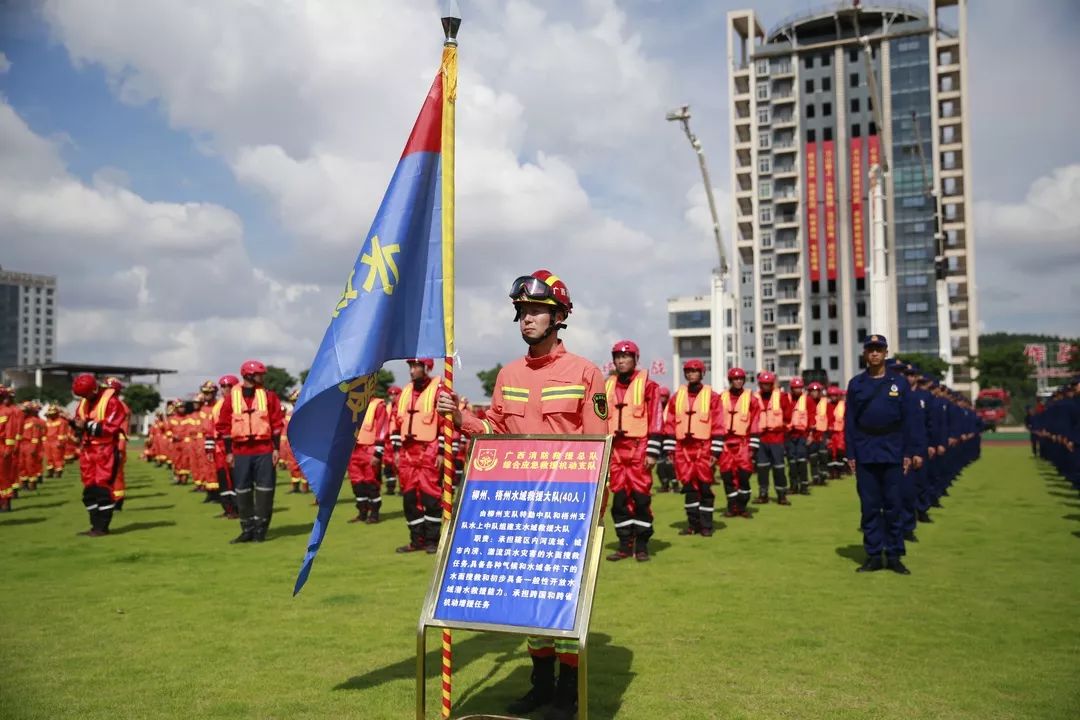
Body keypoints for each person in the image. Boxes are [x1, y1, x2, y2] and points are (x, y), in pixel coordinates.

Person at [438, 268, 606, 720]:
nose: (527, 318)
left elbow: (599, 446)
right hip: (516, 506)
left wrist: (593, 514)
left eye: (537, 311)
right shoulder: (508, 373)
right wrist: (460, 416)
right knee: (528, 602)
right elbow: (494, 428)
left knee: (565, 605)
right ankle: (540, 687)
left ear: (558, 318)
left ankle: (568, 694)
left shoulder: (586, 372)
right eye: (523, 311)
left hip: (566, 509)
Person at [845, 336, 924, 575]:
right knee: (869, 507)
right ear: (865, 354)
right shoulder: (856, 384)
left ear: (886, 353)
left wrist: (911, 451)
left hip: (893, 450)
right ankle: (873, 555)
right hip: (866, 449)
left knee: (893, 506)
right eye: (871, 350)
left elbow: (910, 420)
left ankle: (894, 555)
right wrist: (850, 453)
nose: (875, 354)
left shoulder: (899, 383)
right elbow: (849, 421)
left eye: (879, 350)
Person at [603, 340, 664, 562]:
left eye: (626, 356)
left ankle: (642, 545)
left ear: (635, 359)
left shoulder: (649, 385)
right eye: (617, 357)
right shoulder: (606, 385)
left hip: (639, 449)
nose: (621, 360)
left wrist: (653, 451)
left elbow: (657, 418)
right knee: (618, 500)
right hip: (616, 451)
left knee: (641, 499)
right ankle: (624, 544)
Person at [215, 360, 285, 544]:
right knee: (242, 490)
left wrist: (276, 449)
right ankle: (247, 529)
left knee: (265, 490)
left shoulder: (269, 396)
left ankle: (261, 530)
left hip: (264, 450)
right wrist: (229, 452)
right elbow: (223, 426)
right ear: (247, 376)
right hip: (241, 451)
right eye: (259, 375)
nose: (262, 378)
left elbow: (277, 423)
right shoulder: (232, 399)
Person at [391, 358, 450, 553]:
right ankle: (417, 540)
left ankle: (432, 540)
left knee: (431, 497)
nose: (412, 371)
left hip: (429, 450)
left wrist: (441, 452)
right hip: (408, 453)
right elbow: (396, 422)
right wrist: (398, 451)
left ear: (426, 368)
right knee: (409, 498)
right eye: (410, 367)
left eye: (415, 366)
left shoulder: (439, 390)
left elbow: (445, 424)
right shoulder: (405, 393)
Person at [663, 359, 723, 536]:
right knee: (688, 488)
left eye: (695, 371)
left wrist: (716, 451)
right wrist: (670, 449)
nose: (691, 374)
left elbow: (719, 424)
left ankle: (706, 526)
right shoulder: (677, 397)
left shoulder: (712, 396)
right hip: (682, 449)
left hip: (703, 448)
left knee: (704, 487)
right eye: (688, 371)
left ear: (702, 373)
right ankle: (692, 524)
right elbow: (670, 424)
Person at [71, 374, 126, 536]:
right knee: (89, 492)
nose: (84, 398)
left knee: (102, 490)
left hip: (106, 450)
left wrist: (86, 425)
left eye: (86, 394)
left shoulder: (113, 402)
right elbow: (79, 423)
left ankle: (102, 528)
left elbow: (110, 428)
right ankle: (95, 526)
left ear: (94, 389)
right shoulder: (83, 402)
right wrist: (75, 425)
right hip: (88, 451)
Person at [718, 367, 762, 518]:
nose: (738, 381)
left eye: (740, 379)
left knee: (744, 476)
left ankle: (742, 506)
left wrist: (753, 445)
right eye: (735, 379)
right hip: (725, 443)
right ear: (730, 380)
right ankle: (731, 507)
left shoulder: (751, 398)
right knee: (727, 477)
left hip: (743, 442)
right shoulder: (720, 397)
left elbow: (756, 420)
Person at [347, 394, 390, 524]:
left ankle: (374, 514)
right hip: (353, 450)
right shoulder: (350, 404)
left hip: (369, 449)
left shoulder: (378, 405)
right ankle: (362, 513)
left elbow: (382, 428)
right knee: (357, 484)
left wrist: (378, 452)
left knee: (372, 484)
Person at [753, 371, 791, 505]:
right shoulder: (755, 397)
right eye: (763, 384)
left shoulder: (781, 396)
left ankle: (782, 495)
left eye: (768, 384)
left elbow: (788, 416)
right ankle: (763, 494)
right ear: (759, 384)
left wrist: (782, 429)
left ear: (772, 384)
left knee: (779, 467)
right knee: (762, 468)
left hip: (777, 437)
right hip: (761, 438)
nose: (766, 386)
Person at [209, 375, 241, 519]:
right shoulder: (217, 406)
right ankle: (227, 508)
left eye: (228, 386)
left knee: (234, 478)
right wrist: (209, 448)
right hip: (219, 446)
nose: (225, 389)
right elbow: (211, 427)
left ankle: (237, 508)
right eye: (223, 386)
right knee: (222, 477)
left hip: (232, 444)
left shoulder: (238, 403)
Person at [103, 378, 131, 510]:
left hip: (116, 444)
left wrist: (119, 449)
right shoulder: (105, 405)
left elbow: (122, 431)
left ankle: (118, 501)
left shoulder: (120, 407)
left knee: (117, 473)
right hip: (105, 445)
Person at [785, 377, 811, 495]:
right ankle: (794, 486)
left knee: (801, 461)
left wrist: (811, 434)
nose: (797, 390)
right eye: (795, 388)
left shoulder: (807, 400)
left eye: (799, 387)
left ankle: (804, 486)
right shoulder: (787, 399)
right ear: (791, 388)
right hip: (790, 435)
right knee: (791, 462)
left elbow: (811, 417)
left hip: (802, 435)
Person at [654, 386, 677, 493]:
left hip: (670, 436)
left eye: (664, 396)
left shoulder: (672, 407)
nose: (662, 398)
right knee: (660, 465)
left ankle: (675, 485)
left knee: (669, 463)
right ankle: (665, 485)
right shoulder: (655, 407)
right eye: (661, 396)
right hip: (659, 437)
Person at [0, 386, 20, 511]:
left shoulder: (8, 412)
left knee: (3, 476)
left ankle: (6, 502)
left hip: (2, 447)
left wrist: (8, 448)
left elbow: (10, 431)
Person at [806, 382, 829, 486]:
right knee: (813, 457)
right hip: (811, 434)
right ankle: (815, 477)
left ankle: (823, 475)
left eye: (816, 391)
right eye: (812, 391)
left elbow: (830, 418)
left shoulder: (824, 403)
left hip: (822, 433)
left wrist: (829, 435)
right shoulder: (806, 402)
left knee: (823, 455)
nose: (814, 393)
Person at [383, 385, 402, 496]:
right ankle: (390, 488)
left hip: (399, 439)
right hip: (388, 439)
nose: (392, 396)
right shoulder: (388, 407)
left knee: (399, 465)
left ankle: (403, 488)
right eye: (390, 394)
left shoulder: (402, 406)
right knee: (388, 466)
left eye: (395, 394)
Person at [825, 385, 847, 480]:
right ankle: (831, 472)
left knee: (840, 452)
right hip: (830, 432)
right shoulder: (827, 406)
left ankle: (839, 471)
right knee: (830, 453)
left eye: (835, 395)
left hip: (840, 433)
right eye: (831, 395)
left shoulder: (843, 406)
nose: (833, 397)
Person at [43, 405, 69, 478]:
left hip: (56, 441)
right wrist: (44, 441)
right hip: (48, 442)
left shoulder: (61, 421)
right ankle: (50, 472)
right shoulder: (47, 421)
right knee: (49, 458)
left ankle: (58, 472)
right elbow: (44, 432)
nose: (51, 415)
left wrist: (60, 442)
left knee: (57, 458)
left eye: (53, 413)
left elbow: (62, 433)